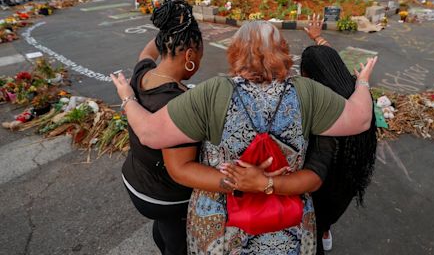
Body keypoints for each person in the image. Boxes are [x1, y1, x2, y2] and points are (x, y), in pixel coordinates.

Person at [111, 21, 377, 254]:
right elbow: (361, 118)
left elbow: (148, 133)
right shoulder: (308, 93)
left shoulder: (212, 93)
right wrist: (363, 82)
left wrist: (127, 98)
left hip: (221, 223)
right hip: (287, 221)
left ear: (235, 52)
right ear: (284, 52)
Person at [122, 0, 208, 255]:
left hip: (136, 178)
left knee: (165, 231)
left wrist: (170, 28)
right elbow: (181, 171)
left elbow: (147, 52)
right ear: (190, 55)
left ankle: (163, 240)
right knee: (179, 244)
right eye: (201, 55)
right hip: (162, 196)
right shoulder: (177, 105)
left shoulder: (143, 73)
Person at [302, 19, 378, 254]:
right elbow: (331, 63)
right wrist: (318, 38)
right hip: (347, 184)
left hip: (320, 185)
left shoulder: (319, 110)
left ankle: (321, 231)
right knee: (327, 218)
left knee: (315, 220)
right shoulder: (358, 98)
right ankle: (325, 230)